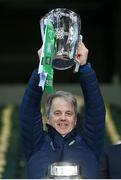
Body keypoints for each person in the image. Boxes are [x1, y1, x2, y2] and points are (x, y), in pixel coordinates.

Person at [20, 42, 105, 179]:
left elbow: (96, 110)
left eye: (69, 113)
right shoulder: (36, 144)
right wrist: (43, 65)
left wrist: (84, 67)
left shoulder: (90, 144)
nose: (63, 118)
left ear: (76, 119)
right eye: (57, 113)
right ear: (47, 118)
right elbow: (28, 111)